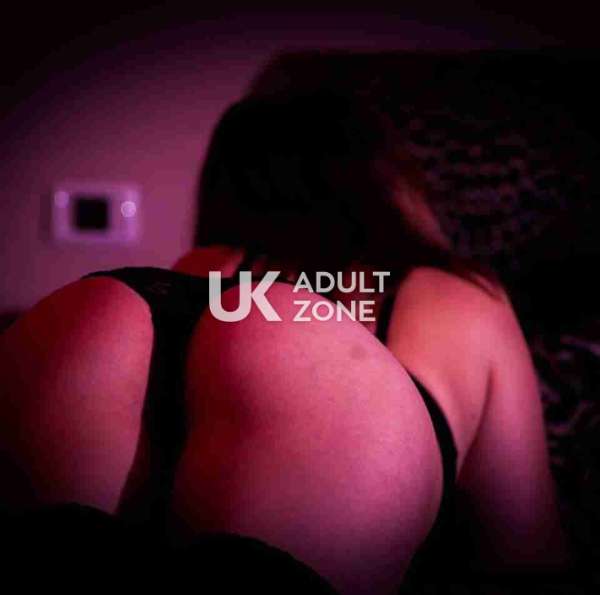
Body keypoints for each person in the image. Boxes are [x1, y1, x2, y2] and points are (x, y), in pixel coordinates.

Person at [0, 92, 569, 593]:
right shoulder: (461, 297)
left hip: (109, 310)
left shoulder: (201, 263)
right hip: (307, 368)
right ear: (390, 183)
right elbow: (523, 557)